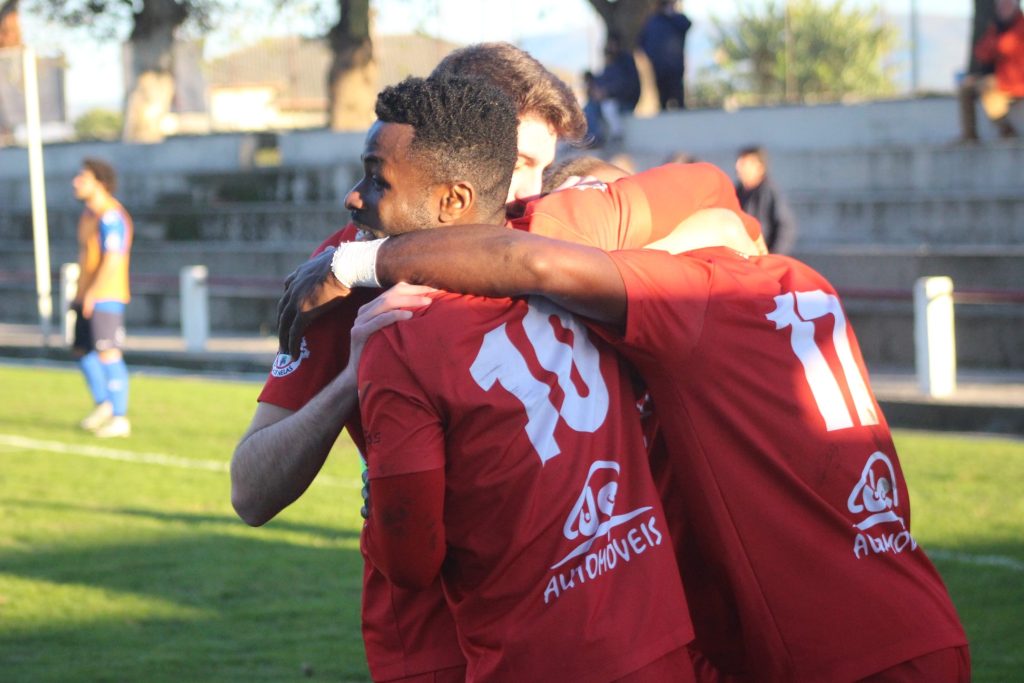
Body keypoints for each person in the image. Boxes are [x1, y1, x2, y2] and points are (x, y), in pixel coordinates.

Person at [299, 194, 972, 681]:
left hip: (838, 653)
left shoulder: (694, 299)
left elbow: (531, 263)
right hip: (917, 607)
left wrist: (356, 260)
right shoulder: (803, 281)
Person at [230, 43, 585, 683]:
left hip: (571, 598)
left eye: (541, 167)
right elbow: (251, 491)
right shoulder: (341, 271)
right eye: (520, 163)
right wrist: (350, 381)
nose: (531, 190)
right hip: (430, 623)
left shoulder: (565, 230)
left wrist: (369, 264)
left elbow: (708, 216)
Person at [350, 73, 696, 682]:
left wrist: (379, 506)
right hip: (656, 634)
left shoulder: (398, 335)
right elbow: (707, 188)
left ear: (453, 200)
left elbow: (410, 559)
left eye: (377, 179)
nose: (356, 197)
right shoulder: (580, 255)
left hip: (534, 658)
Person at [71, 158, 133, 439]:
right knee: (83, 352)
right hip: (86, 294)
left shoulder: (111, 216)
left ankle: (120, 417)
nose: (76, 181)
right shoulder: (88, 215)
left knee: (108, 352)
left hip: (106, 295)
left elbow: (113, 257)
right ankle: (104, 405)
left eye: (83, 177)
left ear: (101, 183)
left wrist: (94, 293)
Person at [959, 0, 1024, 141]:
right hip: (1001, 78)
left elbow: (1006, 48)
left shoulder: (1019, 27)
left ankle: (1006, 129)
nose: (1002, 10)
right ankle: (969, 136)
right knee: (966, 89)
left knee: (988, 87)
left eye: (1006, 6)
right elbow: (982, 53)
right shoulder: (996, 28)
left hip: (1016, 81)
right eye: (1000, 7)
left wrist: (996, 44)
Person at [735, 145, 798, 254]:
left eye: (745, 163)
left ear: (760, 168)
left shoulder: (768, 192)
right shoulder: (737, 191)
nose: (739, 167)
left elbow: (785, 226)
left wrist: (773, 256)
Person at [583, 32, 641, 147]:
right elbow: (602, 80)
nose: (610, 47)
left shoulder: (626, 62)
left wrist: (607, 92)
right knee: (589, 107)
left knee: (608, 106)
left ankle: (613, 136)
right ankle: (592, 138)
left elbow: (627, 85)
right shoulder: (610, 63)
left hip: (625, 101)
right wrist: (592, 82)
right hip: (609, 100)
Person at [638, 0, 692, 111]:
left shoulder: (676, 19)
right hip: (659, 70)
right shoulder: (652, 22)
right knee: (663, 101)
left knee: (679, 100)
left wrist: (671, 15)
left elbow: (687, 25)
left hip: (675, 70)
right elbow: (642, 43)